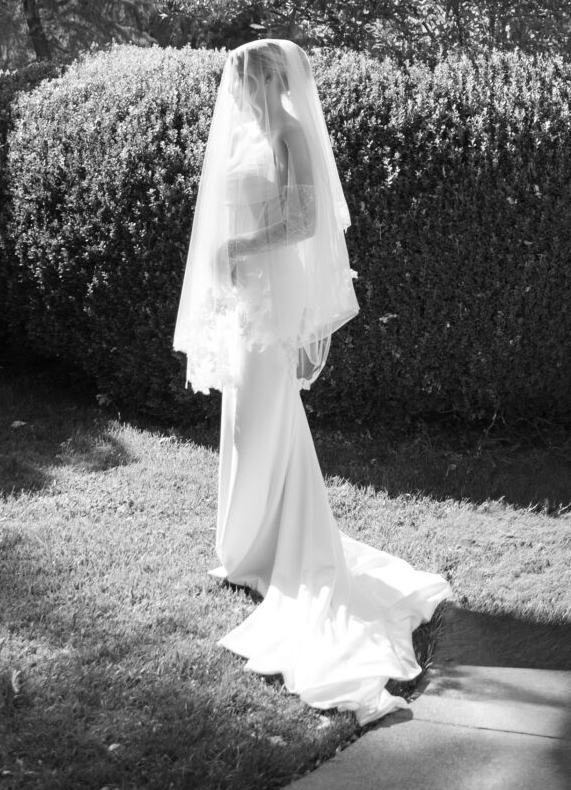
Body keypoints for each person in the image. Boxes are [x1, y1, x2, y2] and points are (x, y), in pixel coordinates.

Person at [174, 37, 448, 725]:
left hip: (270, 296)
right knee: (243, 420)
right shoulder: (248, 134)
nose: (230, 93)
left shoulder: (292, 133)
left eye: (239, 80)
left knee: (266, 417)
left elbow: (301, 220)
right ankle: (246, 547)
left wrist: (236, 248)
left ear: (265, 79)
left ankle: (280, 547)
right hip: (245, 300)